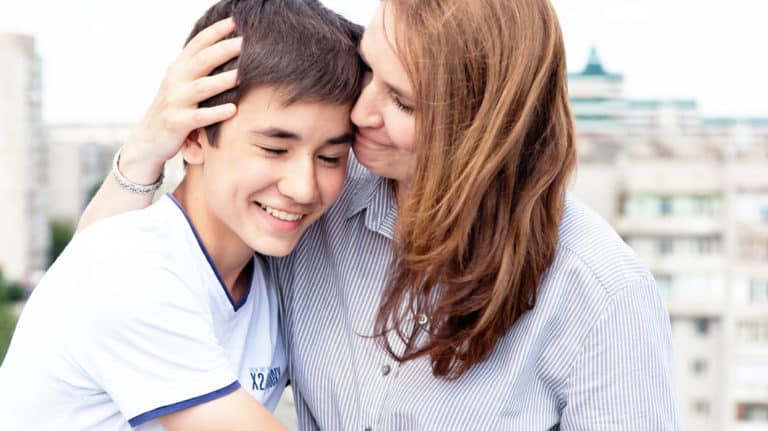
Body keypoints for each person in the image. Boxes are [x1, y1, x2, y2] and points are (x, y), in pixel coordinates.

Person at [78, 0, 682, 429]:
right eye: (370, 70)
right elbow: (96, 293)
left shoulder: (599, 291)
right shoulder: (316, 193)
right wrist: (146, 150)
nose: (360, 112)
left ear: (481, 128)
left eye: (401, 100)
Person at [0, 0, 363, 430]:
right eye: (274, 149)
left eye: (330, 156)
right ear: (192, 138)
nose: (304, 187)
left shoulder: (267, 278)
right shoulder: (132, 272)